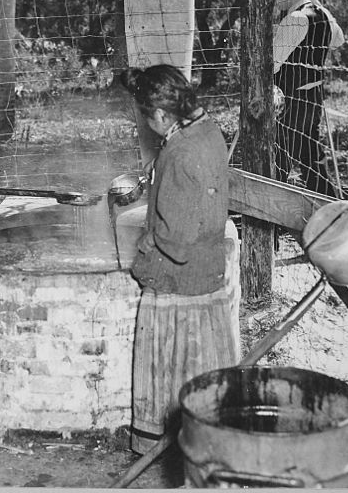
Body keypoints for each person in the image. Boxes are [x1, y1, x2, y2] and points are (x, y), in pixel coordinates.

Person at [121, 65, 238, 455]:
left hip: (180, 278)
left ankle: (159, 441)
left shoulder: (181, 152)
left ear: (159, 115)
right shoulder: (206, 130)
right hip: (209, 270)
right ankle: (208, 431)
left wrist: (144, 244)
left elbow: (178, 240)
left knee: (171, 364)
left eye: (145, 116)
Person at [272, 0, 344, 197]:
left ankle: (266, 214)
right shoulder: (319, 14)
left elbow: (270, 64)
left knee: (278, 160)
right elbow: (338, 38)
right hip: (312, 98)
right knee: (310, 160)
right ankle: (331, 206)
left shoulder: (295, 18)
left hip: (291, 100)